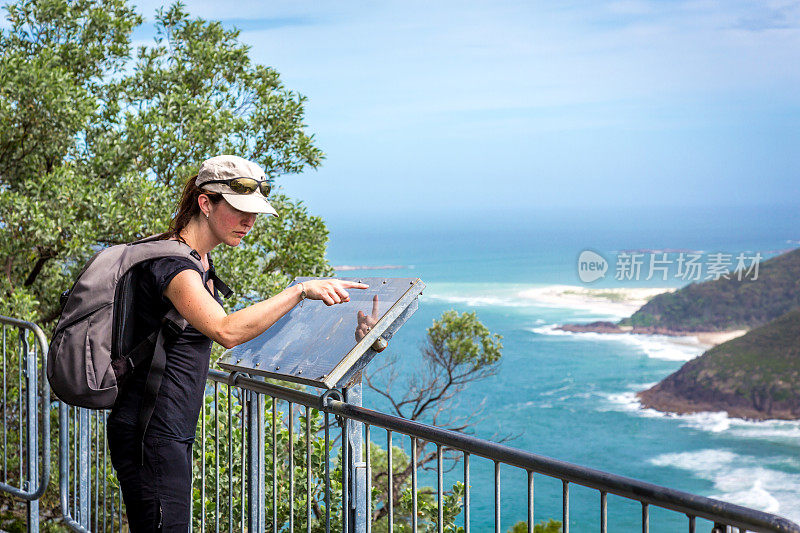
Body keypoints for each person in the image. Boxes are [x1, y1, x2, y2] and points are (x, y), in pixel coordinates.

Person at [106, 155, 367, 532]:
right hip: (151, 433)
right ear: (205, 202)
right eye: (239, 210)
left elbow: (245, 337)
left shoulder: (199, 262)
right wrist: (298, 290)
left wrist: (355, 338)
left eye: (255, 212)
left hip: (164, 430)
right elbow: (226, 331)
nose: (250, 222)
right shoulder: (175, 268)